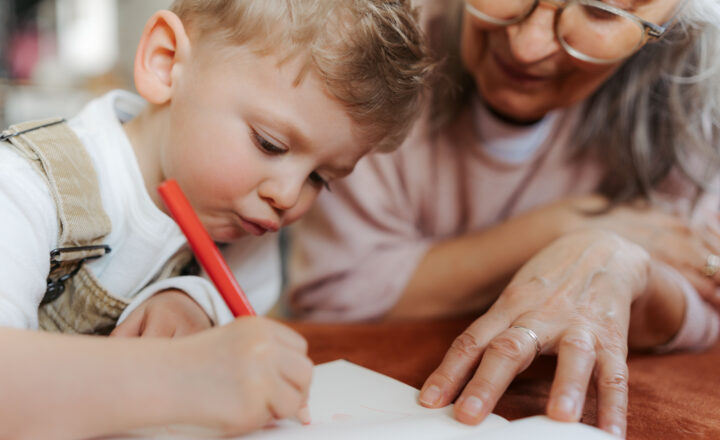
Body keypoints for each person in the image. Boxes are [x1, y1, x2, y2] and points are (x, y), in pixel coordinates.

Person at [0, 0, 433, 438]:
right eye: (270, 144)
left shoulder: (244, 227)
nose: (287, 197)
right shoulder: (24, 188)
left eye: (321, 178)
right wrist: (178, 376)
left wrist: (195, 303)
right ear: (165, 63)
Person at [287, 0, 720, 437]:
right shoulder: (382, 42)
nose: (526, 46)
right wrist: (570, 226)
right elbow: (333, 297)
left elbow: (703, 291)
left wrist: (619, 259)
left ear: (670, 23)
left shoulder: (690, 89)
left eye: (601, 12)